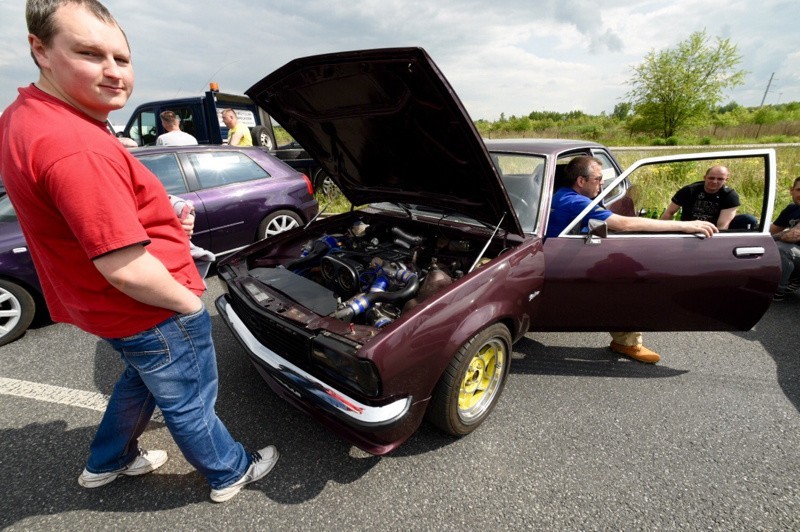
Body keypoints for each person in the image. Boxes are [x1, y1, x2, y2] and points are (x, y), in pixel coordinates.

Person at [0, 0, 277, 503]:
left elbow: (86, 219)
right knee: (191, 402)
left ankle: (108, 461)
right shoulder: (74, 146)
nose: (113, 72)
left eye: (121, 58)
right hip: (150, 309)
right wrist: (191, 304)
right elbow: (124, 265)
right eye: (89, 53)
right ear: (40, 49)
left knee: (141, 381)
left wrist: (161, 217)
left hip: (109, 311)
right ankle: (230, 470)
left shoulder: (28, 117)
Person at [546, 156, 717, 364]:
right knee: (620, 285)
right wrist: (684, 226)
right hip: (559, 258)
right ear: (581, 181)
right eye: (598, 179)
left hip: (561, 253)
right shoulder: (573, 201)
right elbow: (623, 224)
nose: (602, 185)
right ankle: (627, 342)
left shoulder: (562, 194)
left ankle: (625, 340)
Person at [660, 165, 740, 229]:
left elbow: (722, 226)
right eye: (711, 178)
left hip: (712, 233)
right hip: (687, 230)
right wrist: (660, 233)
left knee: (747, 219)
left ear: (726, 180)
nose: (714, 181)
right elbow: (669, 212)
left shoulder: (730, 196)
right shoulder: (689, 190)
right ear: (705, 177)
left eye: (720, 179)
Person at [769, 176, 800, 301]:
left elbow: (793, 236)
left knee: (780, 248)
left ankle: (778, 291)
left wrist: (779, 236)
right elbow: (770, 232)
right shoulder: (791, 209)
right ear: (791, 190)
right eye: (799, 190)